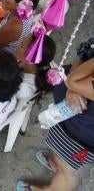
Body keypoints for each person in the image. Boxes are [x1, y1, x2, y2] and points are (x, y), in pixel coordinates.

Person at [17, 38, 94, 191]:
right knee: (60, 152)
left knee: (69, 171)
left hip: (84, 138)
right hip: (67, 116)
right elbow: (85, 51)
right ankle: (57, 162)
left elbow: (72, 81)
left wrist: (72, 85)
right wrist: (72, 86)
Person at [15, 34, 56, 99]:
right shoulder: (41, 63)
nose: (17, 43)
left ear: (31, 59)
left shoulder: (22, 88)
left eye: (21, 45)